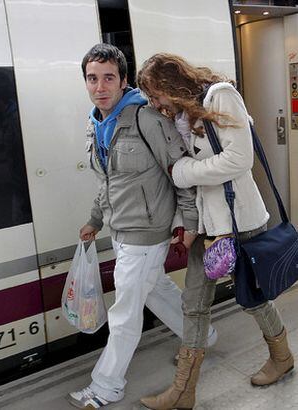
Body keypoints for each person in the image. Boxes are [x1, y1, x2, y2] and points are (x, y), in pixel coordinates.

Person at [137, 53, 295, 410]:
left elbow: (239, 159)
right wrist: (186, 224)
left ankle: (282, 356)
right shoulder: (180, 117)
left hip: (240, 221)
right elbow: (194, 182)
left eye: (154, 93)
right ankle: (183, 391)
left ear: (170, 83)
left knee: (253, 298)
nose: (154, 103)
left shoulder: (220, 95)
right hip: (207, 225)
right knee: (193, 305)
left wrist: (183, 171)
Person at [67, 44, 217, 410]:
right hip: (120, 230)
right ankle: (202, 338)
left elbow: (179, 171)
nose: (100, 86)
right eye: (92, 78)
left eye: (108, 78)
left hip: (148, 231)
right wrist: (95, 219)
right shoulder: (99, 123)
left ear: (121, 80)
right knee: (154, 291)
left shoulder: (145, 118)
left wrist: (190, 223)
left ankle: (107, 386)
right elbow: (108, 180)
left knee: (124, 312)